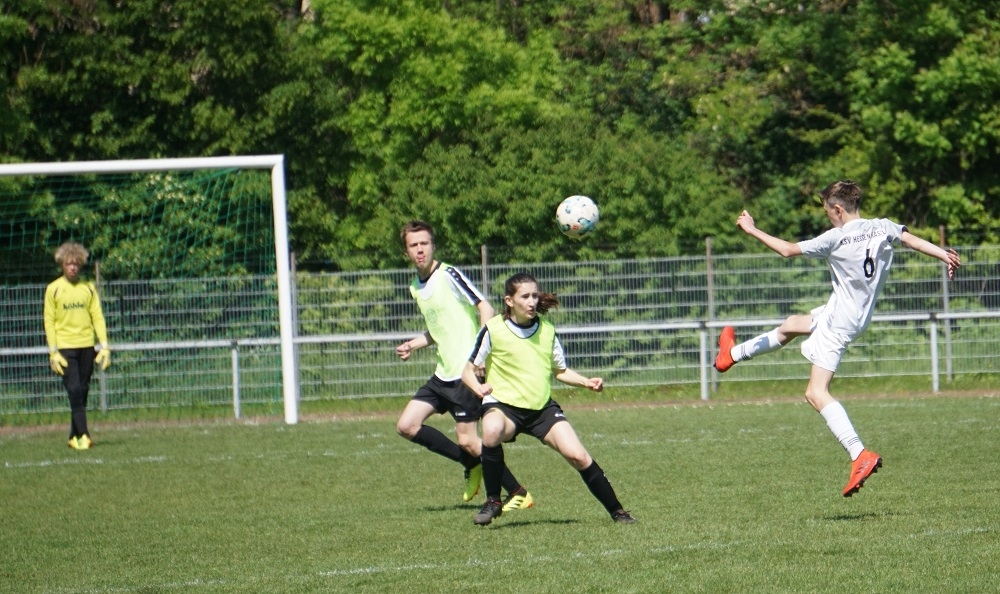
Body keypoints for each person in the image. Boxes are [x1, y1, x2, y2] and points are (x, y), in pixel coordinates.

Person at [713, 180, 961, 497]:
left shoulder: (835, 238)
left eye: (827, 212)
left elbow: (787, 250)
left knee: (816, 393)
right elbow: (912, 241)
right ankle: (730, 355)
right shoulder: (882, 226)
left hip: (838, 323)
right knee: (791, 325)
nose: (828, 217)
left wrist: (752, 229)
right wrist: (944, 255)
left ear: (839, 210)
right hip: (853, 316)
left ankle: (859, 454)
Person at [462, 271, 636, 526]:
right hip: (502, 406)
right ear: (509, 301)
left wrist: (586, 382)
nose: (532, 301)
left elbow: (560, 370)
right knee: (491, 430)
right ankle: (493, 501)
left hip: (540, 409)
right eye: (525, 296)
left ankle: (618, 512)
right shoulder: (493, 329)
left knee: (578, 456)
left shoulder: (547, 331)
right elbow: (467, 370)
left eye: (535, 295)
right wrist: (479, 389)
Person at [395, 221, 533, 511]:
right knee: (407, 426)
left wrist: (479, 357)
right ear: (406, 252)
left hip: (465, 374)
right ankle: (471, 463)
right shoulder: (415, 286)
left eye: (424, 243)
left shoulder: (448, 275)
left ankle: (517, 491)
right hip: (442, 374)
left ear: (433, 246)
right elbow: (438, 329)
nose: (419, 250)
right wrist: (413, 344)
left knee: (469, 440)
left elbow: (485, 307)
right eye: (413, 245)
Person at [43, 242, 112, 450]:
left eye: (76, 264)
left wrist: (104, 345)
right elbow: (49, 320)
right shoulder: (53, 289)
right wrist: (53, 351)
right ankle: (84, 434)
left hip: (87, 346)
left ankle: (73, 436)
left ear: (80, 265)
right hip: (65, 347)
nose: (73, 267)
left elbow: (97, 316)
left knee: (82, 390)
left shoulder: (88, 288)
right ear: (62, 265)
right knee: (73, 389)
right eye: (69, 264)